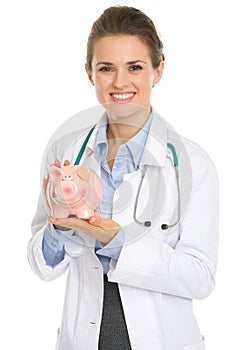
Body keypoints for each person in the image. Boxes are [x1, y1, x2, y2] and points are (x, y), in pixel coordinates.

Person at [27, 6, 219, 350]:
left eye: (135, 67)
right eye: (106, 68)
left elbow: (200, 278)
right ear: (89, 73)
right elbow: (42, 266)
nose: (119, 82)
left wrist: (118, 244)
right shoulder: (65, 150)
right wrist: (58, 227)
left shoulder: (192, 163)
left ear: (157, 71)